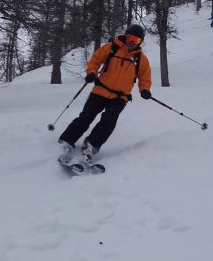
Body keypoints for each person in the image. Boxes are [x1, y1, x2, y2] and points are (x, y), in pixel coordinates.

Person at [58, 23, 152, 164]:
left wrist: (144, 89)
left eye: (137, 40)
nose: (132, 42)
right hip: (100, 90)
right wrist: (91, 72)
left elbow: (145, 77)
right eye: (131, 38)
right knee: (86, 116)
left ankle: (91, 146)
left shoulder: (140, 59)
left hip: (120, 97)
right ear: (126, 36)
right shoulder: (111, 48)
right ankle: (67, 140)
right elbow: (95, 60)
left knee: (108, 121)